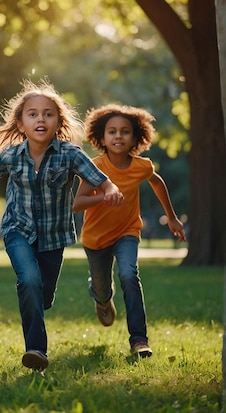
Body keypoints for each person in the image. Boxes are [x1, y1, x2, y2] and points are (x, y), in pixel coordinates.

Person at [0, 80, 123, 371]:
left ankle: (37, 306)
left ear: (58, 121)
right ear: (21, 124)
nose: (40, 119)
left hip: (53, 237)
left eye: (48, 113)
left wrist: (110, 189)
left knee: (41, 297)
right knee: (29, 281)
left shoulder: (70, 155)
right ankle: (36, 350)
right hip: (17, 230)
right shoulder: (11, 155)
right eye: (32, 114)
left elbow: (100, 178)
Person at [73, 104, 186, 358]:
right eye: (112, 131)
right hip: (96, 238)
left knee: (129, 275)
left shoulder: (141, 166)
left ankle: (139, 340)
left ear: (136, 138)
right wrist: (103, 197)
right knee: (102, 288)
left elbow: (157, 182)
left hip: (127, 231)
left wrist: (172, 217)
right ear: (101, 137)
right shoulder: (94, 166)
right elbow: (77, 204)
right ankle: (102, 299)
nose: (118, 136)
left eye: (125, 132)